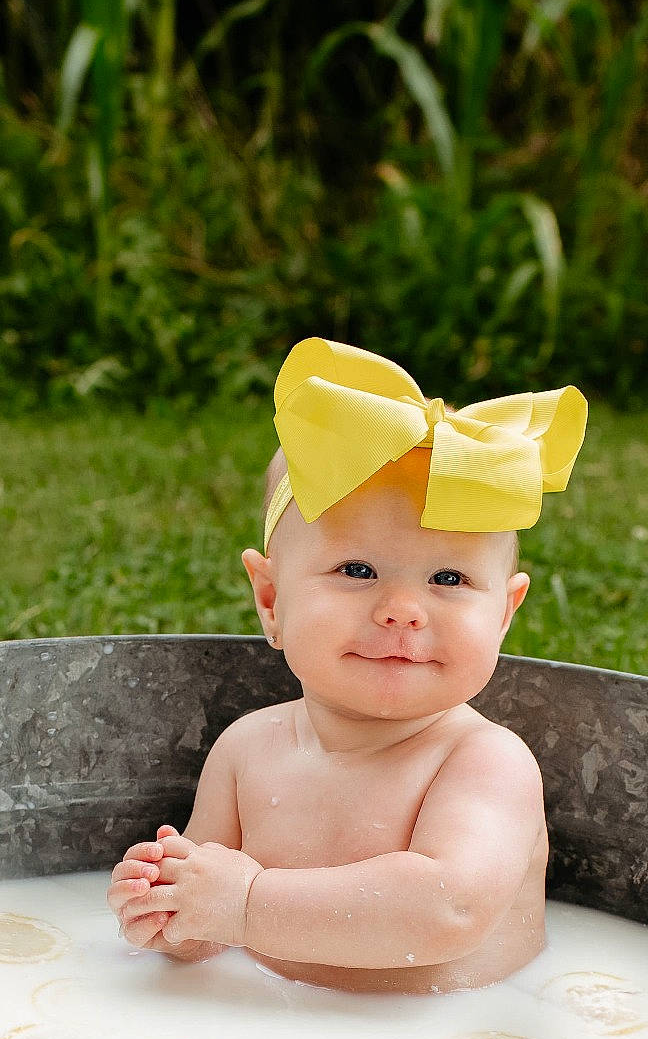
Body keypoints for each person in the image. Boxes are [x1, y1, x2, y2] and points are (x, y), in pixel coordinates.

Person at [107, 338, 586, 994]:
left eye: (448, 577)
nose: (402, 609)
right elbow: (212, 923)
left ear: (503, 614)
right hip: (281, 1037)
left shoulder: (482, 762)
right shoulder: (246, 751)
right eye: (357, 570)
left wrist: (246, 901)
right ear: (271, 600)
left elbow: (447, 910)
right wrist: (173, 908)